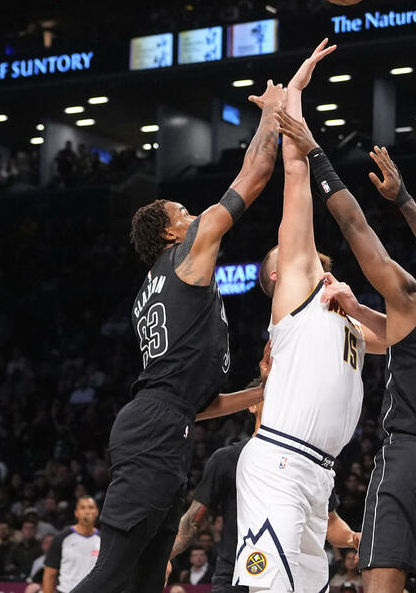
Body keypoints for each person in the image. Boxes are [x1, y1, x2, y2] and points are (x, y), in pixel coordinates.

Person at [69, 78, 285, 593]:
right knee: (113, 572)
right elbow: (254, 174)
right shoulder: (186, 256)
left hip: (168, 422)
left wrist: (263, 391)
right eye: (183, 214)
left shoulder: (161, 283)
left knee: (147, 579)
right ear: (171, 233)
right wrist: (272, 115)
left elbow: (199, 405)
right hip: (154, 429)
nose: (194, 216)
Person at [274, 118, 416, 590]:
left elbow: (353, 223)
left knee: (383, 580)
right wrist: (403, 201)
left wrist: (318, 154)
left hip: (410, 458)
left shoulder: (412, 302)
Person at [233, 40, 381, 593]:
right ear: (276, 277)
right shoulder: (296, 284)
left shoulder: (341, 308)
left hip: (318, 474)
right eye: (284, 256)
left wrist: (358, 306)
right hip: (280, 464)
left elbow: (393, 340)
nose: (294, 252)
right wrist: (293, 98)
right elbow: (297, 180)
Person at [172, 362, 361, 592]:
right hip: (233, 578)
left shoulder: (306, 459)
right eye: (272, 394)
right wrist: (163, 557)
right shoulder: (228, 459)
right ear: (250, 404)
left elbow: (329, 521)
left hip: (287, 576)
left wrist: (352, 538)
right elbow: (193, 520)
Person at [42, 497, 100, 593]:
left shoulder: (103, 541)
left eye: (90, 507)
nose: (87, 511)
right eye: (83, 508)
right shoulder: (61, 538)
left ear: (96, 512)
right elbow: (49, 575)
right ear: (76, 513)